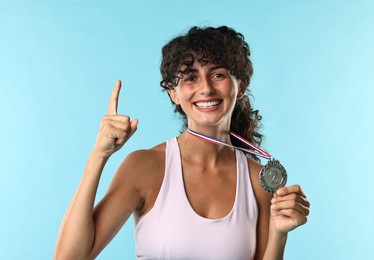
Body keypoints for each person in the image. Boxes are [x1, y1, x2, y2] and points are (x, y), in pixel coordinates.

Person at [54, 26, 310, 260]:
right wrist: (98, 157)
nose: (206, 88)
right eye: (190, 77)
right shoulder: (145, 167)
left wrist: (279, 233)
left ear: (239, 86)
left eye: (218, 74)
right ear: (173, 94)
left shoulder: (259, 179)